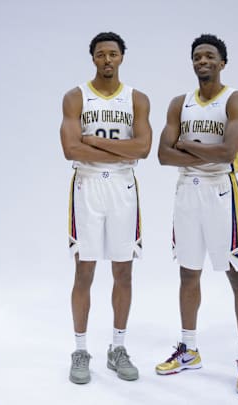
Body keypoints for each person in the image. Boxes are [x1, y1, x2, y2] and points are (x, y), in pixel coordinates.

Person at [155, 34, 238, 395]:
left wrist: (183, 143)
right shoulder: (178, 103)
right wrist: (198, 151)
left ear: (222, 62)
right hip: (187, 194)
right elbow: (162, 156)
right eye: (197, 56)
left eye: (210, 56)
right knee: (188, 274)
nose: (203, 61)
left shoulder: (236, 100)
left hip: (221, 195)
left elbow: (228, 153)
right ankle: (189, 349)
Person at [59, 32, 151, 385]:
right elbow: (70, 149)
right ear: (93, 58)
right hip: (86, 186)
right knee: (84, 271)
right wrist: (120, 148)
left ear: (122, 57)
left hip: (123, 187)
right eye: (101, 54)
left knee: (123, 271)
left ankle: (118, 348)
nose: (107, 59)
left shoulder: (137, 98)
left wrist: (94, 140)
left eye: (113, 53)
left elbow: (143, 149)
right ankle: (80, 350)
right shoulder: (75, 97)